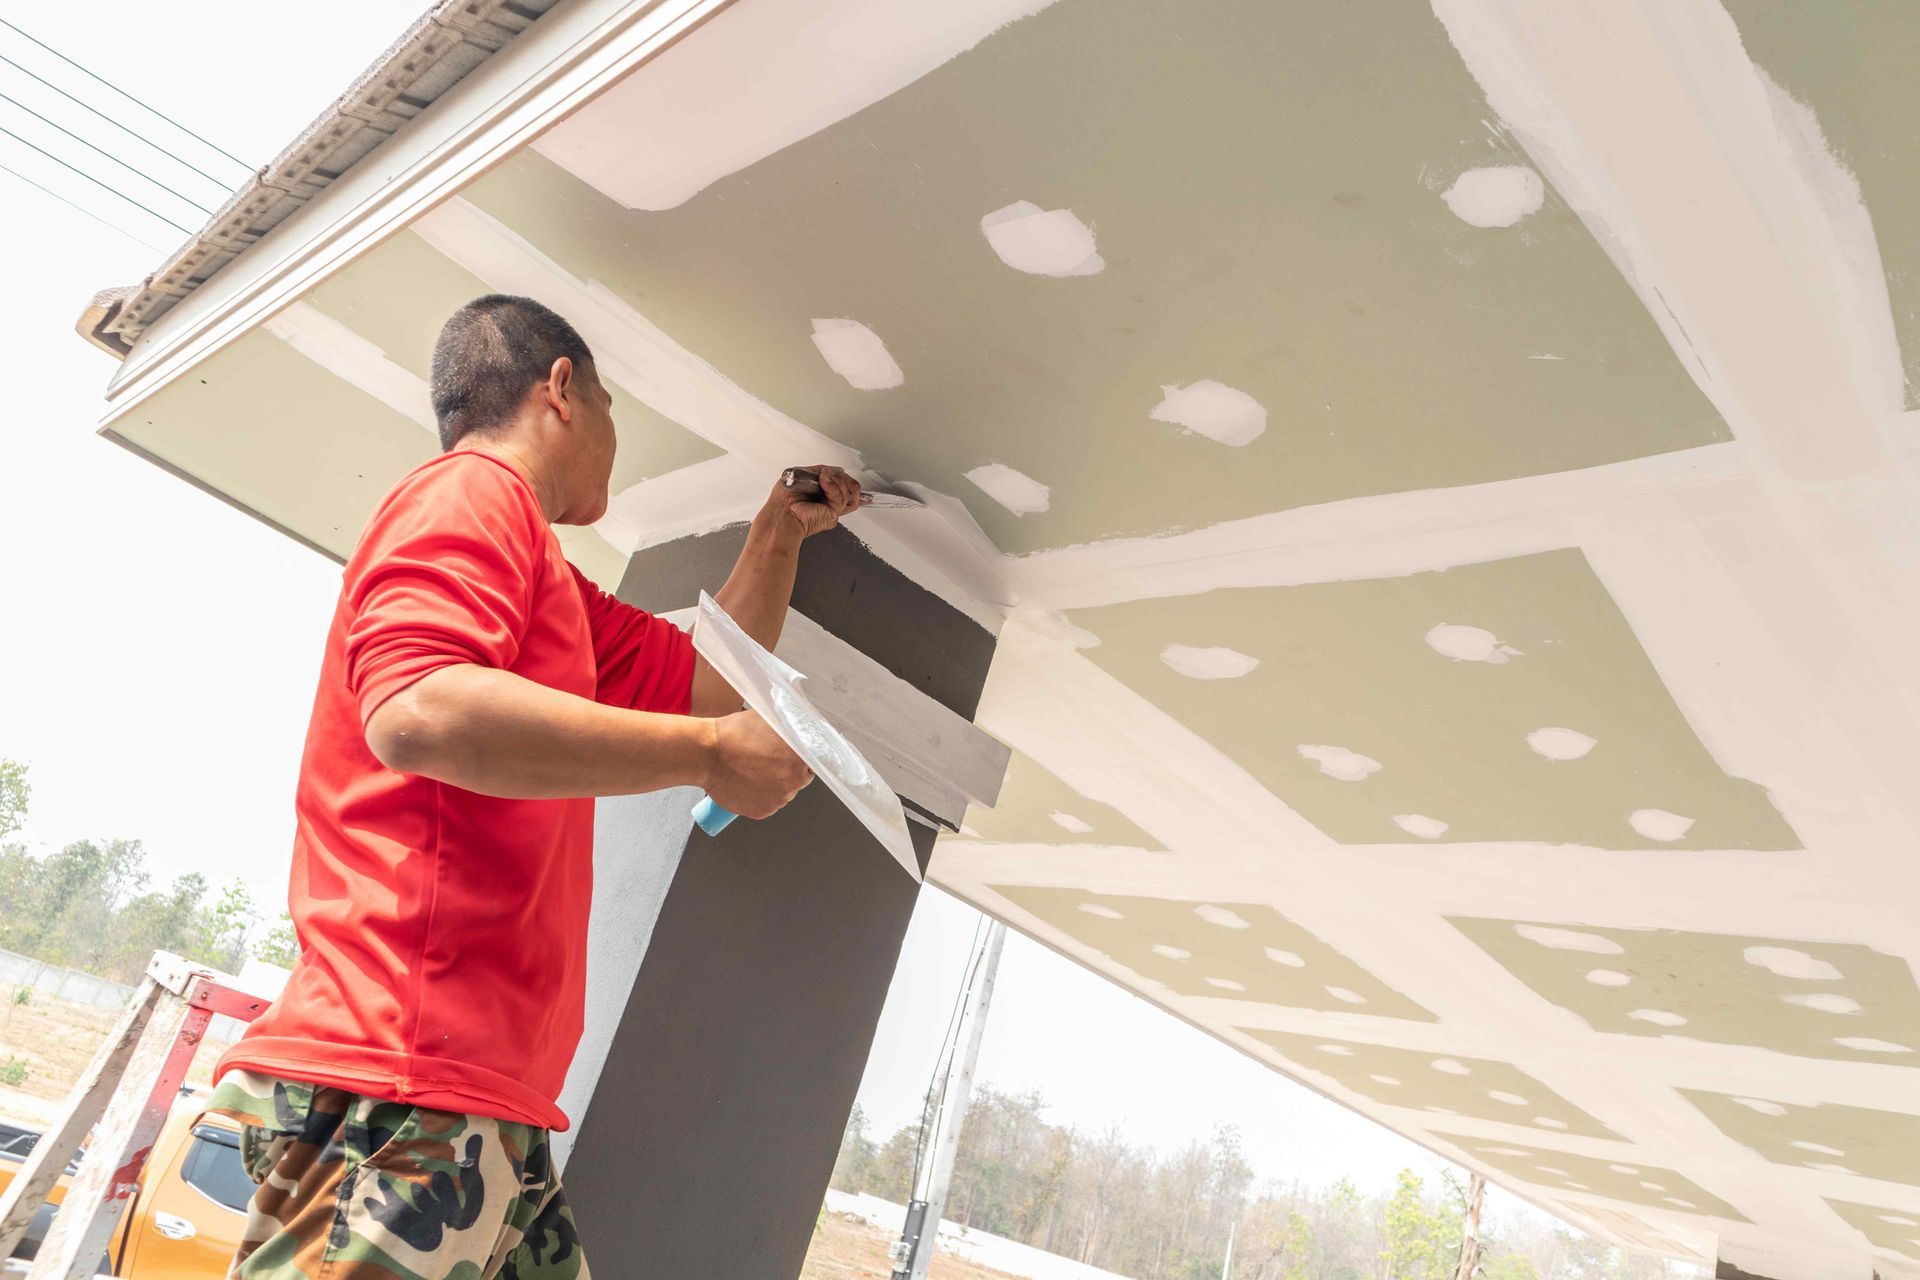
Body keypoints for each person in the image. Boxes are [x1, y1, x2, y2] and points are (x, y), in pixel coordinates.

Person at [203, 294, 854, 1279]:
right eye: (610, 406)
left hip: (483, 1104)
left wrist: (777, 534)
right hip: (399, 1080)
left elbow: (708, 683)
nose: (614, 439)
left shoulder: (546, 577)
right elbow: (418, 708)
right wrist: (710, 754)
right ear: (561, 392)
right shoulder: (468, 493)